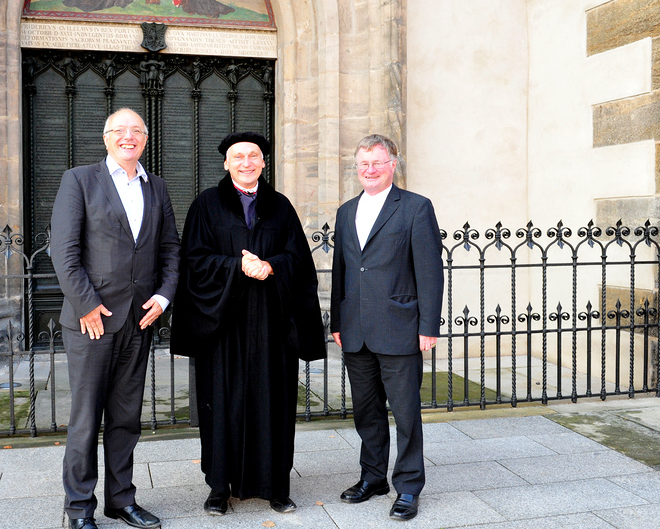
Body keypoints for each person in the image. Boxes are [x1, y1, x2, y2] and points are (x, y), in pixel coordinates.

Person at [170, 132, 326, 516]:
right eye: (238, 157)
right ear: (226, 163)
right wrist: (236, 266)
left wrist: (271, 265)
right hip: (223, 327)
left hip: (272, 326)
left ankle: (277, 487)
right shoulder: (206, 205)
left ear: (263, 163)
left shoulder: (281, 207)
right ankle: (218, 488)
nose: (246, 162)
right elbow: (194, 260)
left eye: (253, 156)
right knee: (221, 406)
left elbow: (299, 261)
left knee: (274, 404)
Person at [50, 108, 180, 529]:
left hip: (139, 319)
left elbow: (170, 249)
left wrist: (163, 296)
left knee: (126, 419)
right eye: (120, 130)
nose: (129, 136)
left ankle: (121, 500)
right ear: (106, 138)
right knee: (86, 420)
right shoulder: (79, 180)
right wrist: (86, 304)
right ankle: (79, 509)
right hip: (93, 321)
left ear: (145, 139)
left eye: (136, 131)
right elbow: (63, 251)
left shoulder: (156, 186)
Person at [329, 134, 444, 522]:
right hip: (355, 329)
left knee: (406, 413)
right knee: (367, 411)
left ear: (393, 164)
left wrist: (428, 326)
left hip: (400, 327)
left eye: (377, 162)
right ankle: (373, 477)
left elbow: (430, 272)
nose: (370, 170)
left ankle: (408, 486)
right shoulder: (346, 211)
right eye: (363, 163)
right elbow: (342, 270)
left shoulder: (415, 207)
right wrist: (338, 320)